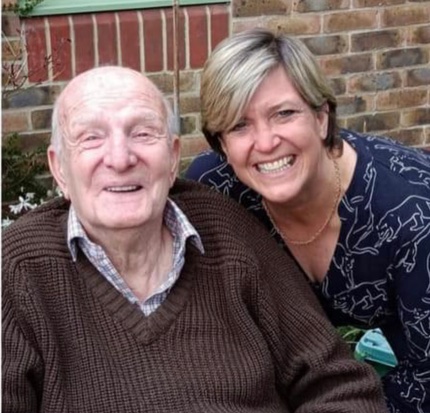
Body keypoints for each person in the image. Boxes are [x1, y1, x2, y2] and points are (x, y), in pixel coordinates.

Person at [1, 66, 389, 413]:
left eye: (142, 133)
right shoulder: (18, 271)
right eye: (91, 138)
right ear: (59, 169)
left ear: (172, 159)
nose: (120, 158)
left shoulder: (227, 231)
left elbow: (339, 385)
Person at [185, 28, 430, 413]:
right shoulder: (214, 191)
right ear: (220, 144)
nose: (265, 143)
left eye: (284, 113)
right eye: (239, 125)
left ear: (320, 117)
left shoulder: (411, 216)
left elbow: (425, 379)